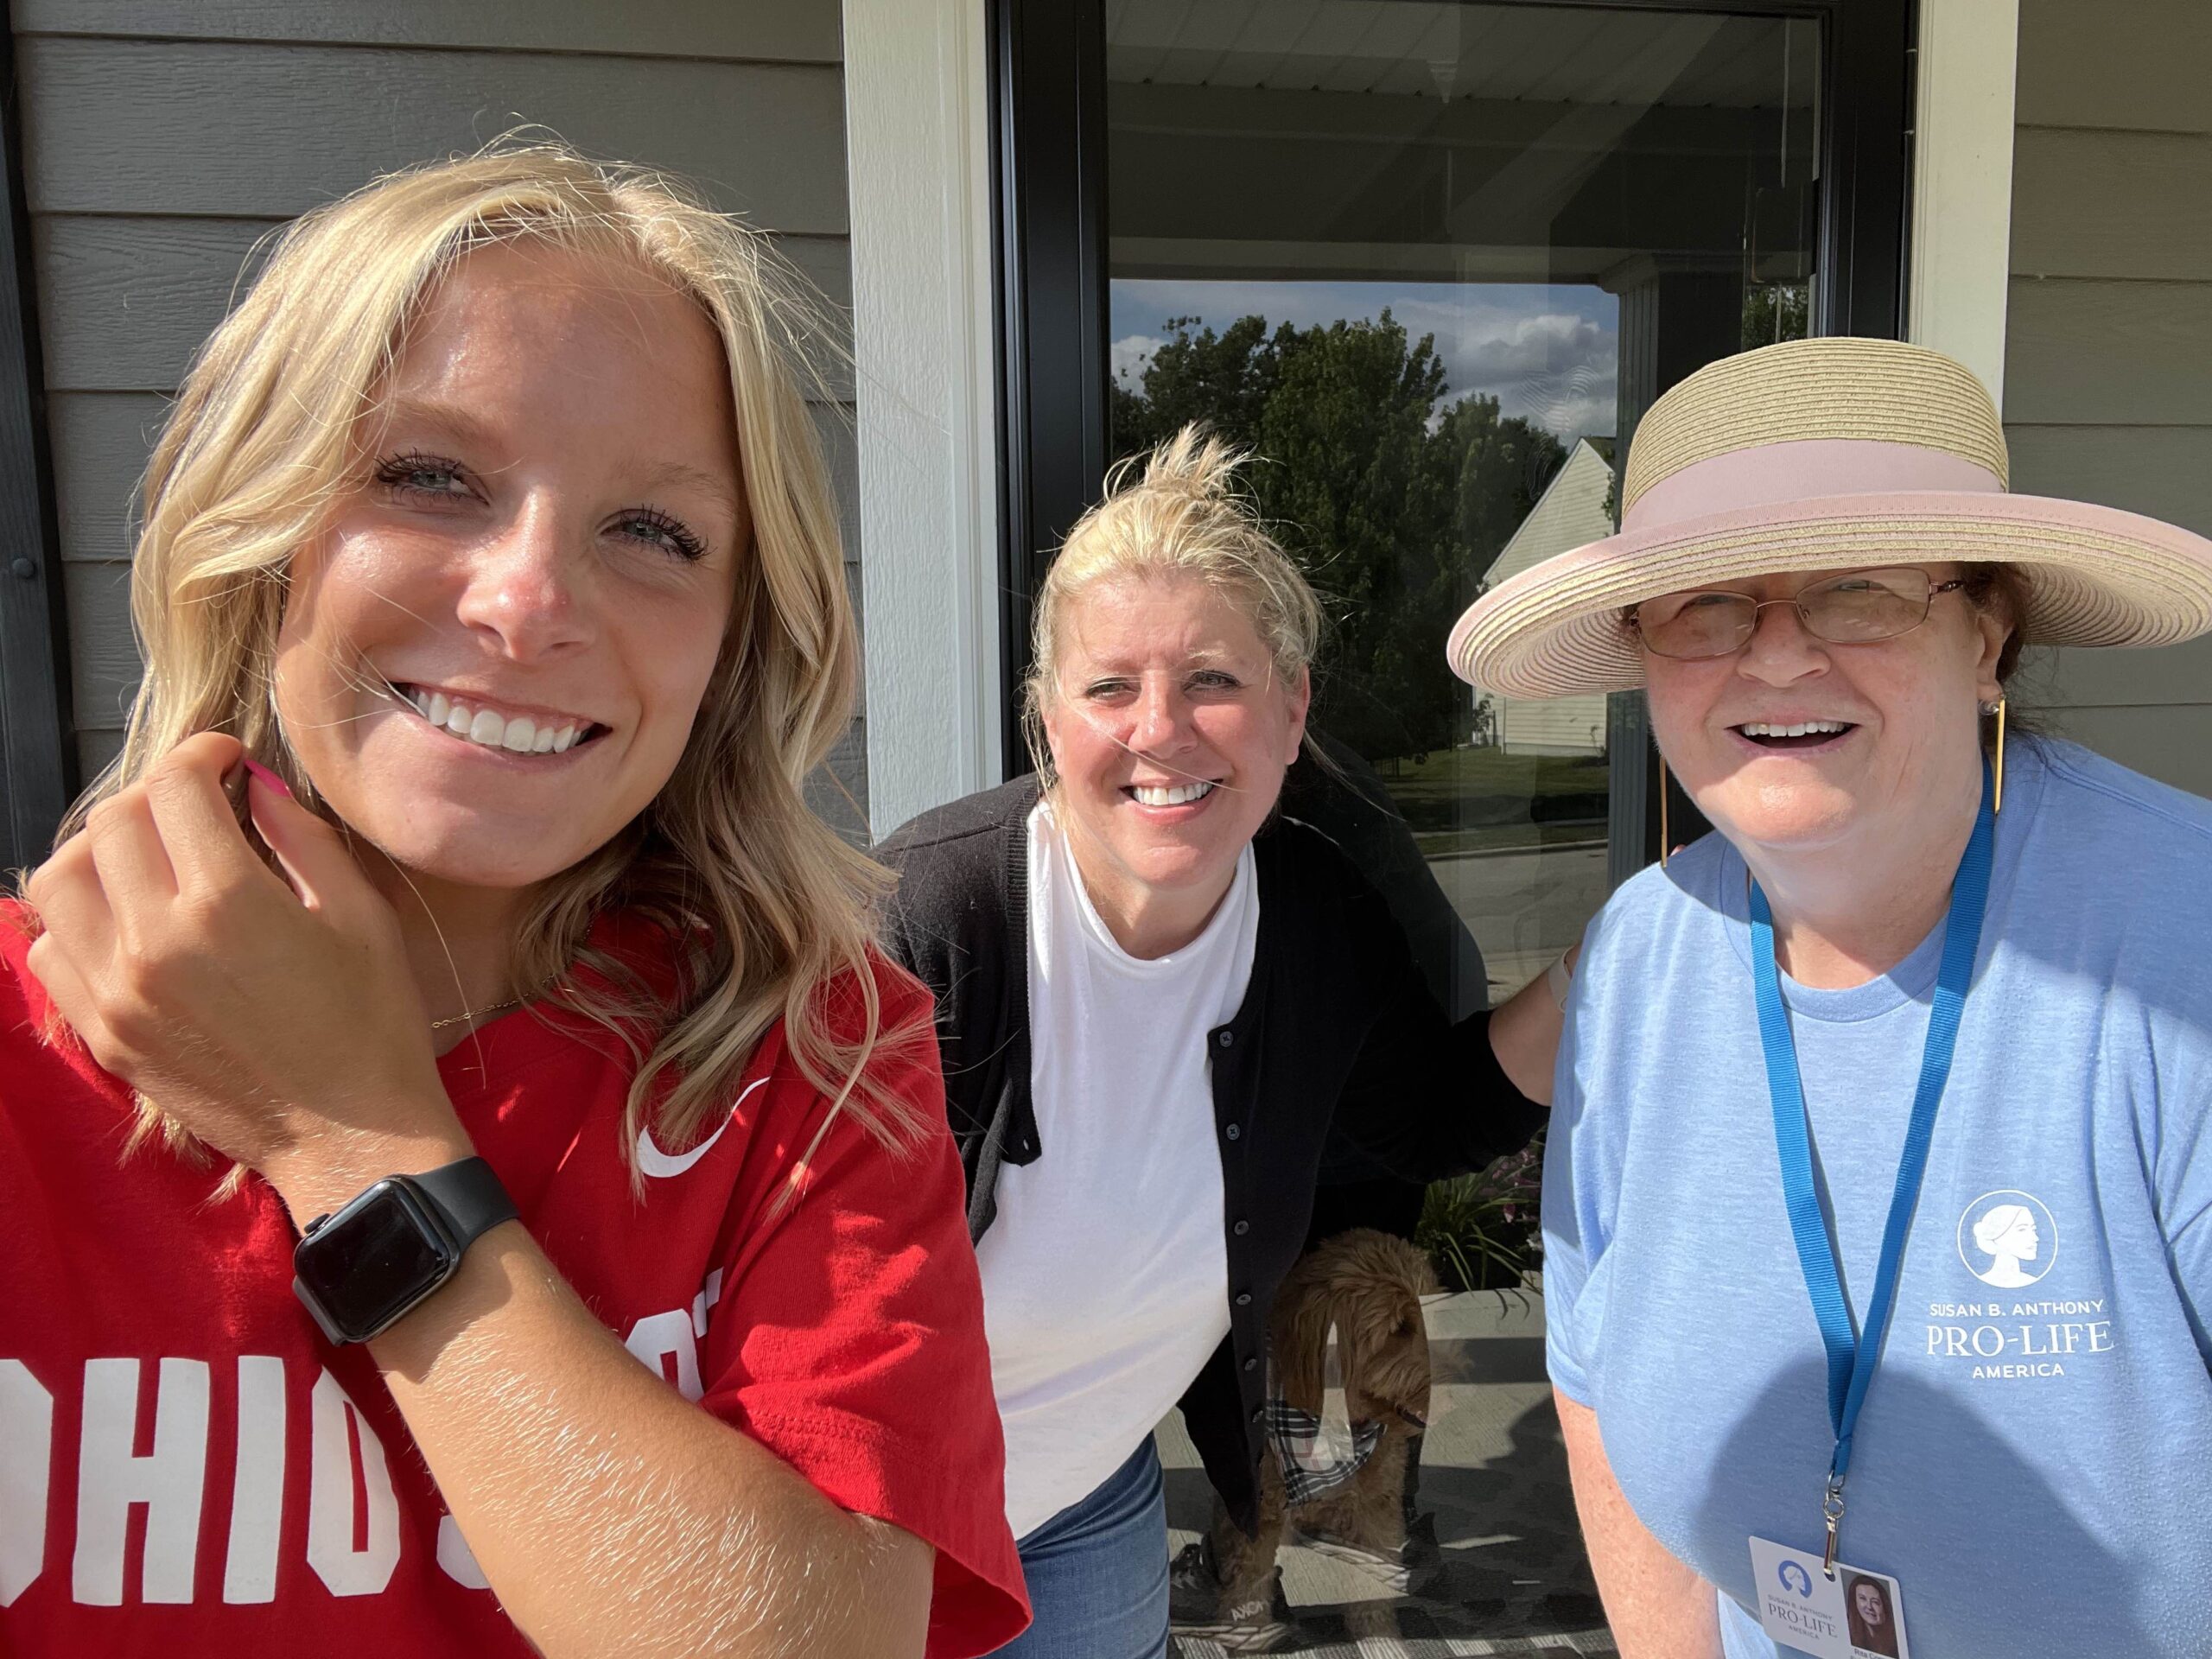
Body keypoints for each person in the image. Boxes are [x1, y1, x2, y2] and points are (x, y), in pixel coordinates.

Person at [4, 143, 1026, 1657]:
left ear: (734, 644)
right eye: (429, 477)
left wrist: (352, 1145)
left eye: (654, 532)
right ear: (259, 533)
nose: (532, 601)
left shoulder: (818, 1053)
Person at [1448, 335, 2212, 1657]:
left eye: (1856, 589)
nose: (1777, 657)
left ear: (1988, 635)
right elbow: (1592, 1385)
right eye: (1707, 605)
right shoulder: (1639, 963)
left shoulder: (2177, 949)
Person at [875, 429, 1563, 1656]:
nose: (1161, 729)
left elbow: (1430, 1118)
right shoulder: (932, 922)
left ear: (1291, 711)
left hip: (1085, 1502)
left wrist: (1600, 971)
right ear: (1047, 719)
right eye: (1108, 688)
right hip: (869, 1517)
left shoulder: (1313, 913)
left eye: (1211, 680)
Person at [1845, 1573, 1899, 1656]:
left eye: (1875, 1602)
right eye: (1863, 1599)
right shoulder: (1848, 1635)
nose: (1869, 1607)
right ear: (1855, 1602)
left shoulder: (1896, 1640)